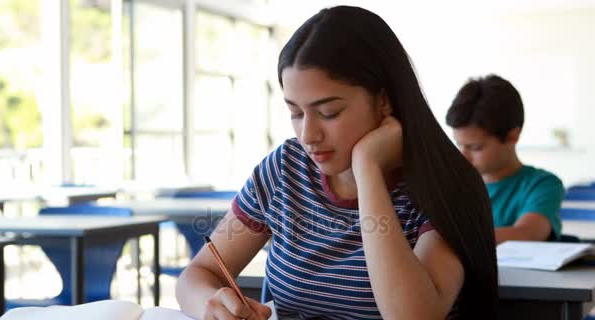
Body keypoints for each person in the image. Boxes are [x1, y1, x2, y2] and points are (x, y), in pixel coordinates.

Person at [176, 6, 497, 320]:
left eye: (329, 113)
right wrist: (211, 302)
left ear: (383, 100)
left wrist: (367, 168)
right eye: (296, 113)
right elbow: (199, 273)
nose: (308, 134)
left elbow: (412, 316)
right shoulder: (283, 169)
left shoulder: (444, 185)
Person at [446, 74, 564, 244]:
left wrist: (448, 242)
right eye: (459, 144)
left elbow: (528, 234)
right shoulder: (453, 186)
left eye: (476, 147)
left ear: (512, 136)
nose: (463, 156)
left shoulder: (542, 184)